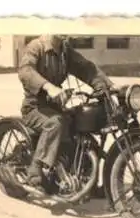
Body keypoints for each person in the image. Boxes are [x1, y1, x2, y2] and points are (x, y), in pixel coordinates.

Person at [18, 34, 115, 188]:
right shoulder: (36, 46)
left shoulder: (65, 51)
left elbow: (86, 68)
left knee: (82, 129)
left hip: (56, 106)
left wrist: (107, 87)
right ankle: (35, 170)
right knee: (55, 123)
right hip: (34, 108)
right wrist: (48, 87)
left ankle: (87, 181)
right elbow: (25, 71)